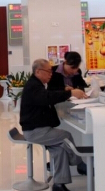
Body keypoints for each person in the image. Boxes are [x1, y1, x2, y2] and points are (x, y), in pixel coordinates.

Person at [20, 59, 87, 191]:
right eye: (48, 71)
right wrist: (70, 93)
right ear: (38, 71)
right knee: (66, 136)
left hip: (39, 128)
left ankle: (59, 185)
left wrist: (64, 90)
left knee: (59, 149)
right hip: (34, 130)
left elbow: (49, 93)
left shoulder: (37, 84)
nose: (51, 74)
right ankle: (79, 163)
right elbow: (47, 98)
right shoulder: (33, 86)